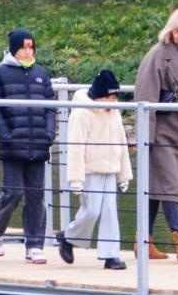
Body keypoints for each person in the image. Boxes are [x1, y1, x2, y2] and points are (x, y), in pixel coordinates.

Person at [133, 7, 178, 261]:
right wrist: (146, 138)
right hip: (161, 134)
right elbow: (144, 96)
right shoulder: (157, 57)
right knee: (170, 186)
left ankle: (144, 241)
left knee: (157, 188)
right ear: (175, 32)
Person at [0, 28, 57, 263]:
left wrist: (48, 133)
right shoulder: (0, 74)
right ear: (14, 49)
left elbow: (50, 107)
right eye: (23, 47)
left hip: (38, 144)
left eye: (31, 47)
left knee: (36, 196)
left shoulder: (41, 74)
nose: (27, 51)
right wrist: (6, 135)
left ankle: (34, 244)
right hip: (13, 145)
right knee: (12, 192)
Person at [54, 69, 132, 269]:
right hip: (89, 170)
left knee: (110, 212)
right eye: (110, 96)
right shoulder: (81, 114)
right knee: (91, 210)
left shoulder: (114, 113)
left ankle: (110, 255)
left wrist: (124, 174)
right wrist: (76, 179)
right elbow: (76, 148)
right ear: (100, 95)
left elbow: (121, 142)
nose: (114, 101)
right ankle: (68, 237)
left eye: (115, 97)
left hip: (110, 168)